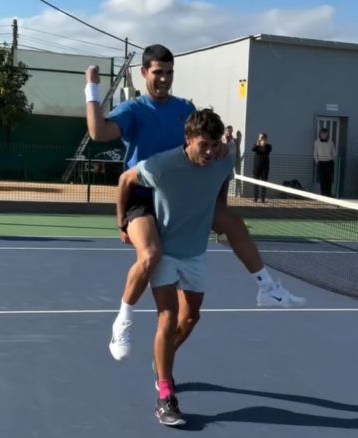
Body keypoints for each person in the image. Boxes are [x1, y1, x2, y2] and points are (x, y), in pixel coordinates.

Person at [85, 44, 305, 361]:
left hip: (180, 195)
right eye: (157, 72)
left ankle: (267, 287)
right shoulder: (134, 110)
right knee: (151, 254)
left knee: (233, 224)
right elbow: (97, 132)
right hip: (143, 197)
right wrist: (92, 88)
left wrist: (219, 150)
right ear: (144, 72)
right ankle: (123, 320)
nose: (164, 78)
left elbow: (201, 137)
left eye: (169, 72)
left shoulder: (184, 108)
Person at [116, 109, 236, 425]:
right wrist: (121, 223)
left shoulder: (224, 160)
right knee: (167, 317)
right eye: (203, 145)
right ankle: (165, 395)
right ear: (188, 139)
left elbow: (221, 187)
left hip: (195, 252)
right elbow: (126, 179)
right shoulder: (163, 165)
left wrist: (219, 216)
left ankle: (161, 361)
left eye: (214, 144)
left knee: (191, 316)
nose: (209, 152)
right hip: (166, 249)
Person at [314, 128, 337, 197]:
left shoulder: (330, 142)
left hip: (329, 162)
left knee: (329, 179)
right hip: (321, 162)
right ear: (320, 134)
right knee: (322, 178)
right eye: (323, 133)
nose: (324, 135)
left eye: (325, 133)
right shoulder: (316, 142)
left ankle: (328, 193)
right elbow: (315, 152)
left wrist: (333, 160)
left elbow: (334, 152)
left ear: (327, 134)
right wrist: (317, 161)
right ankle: (323, 193)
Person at [251, 132, 271, 202]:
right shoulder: (256, 146)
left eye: (263, 138)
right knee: (256, 183)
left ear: (266, 138)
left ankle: (263, 198)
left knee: (264, 183)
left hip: (265, 168)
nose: (262, 139)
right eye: (260, 138)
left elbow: (267, 150)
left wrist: (264, 143)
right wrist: (258, 142)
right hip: (257, 168)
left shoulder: (268, 146)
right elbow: (253, 149)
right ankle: (255, 198)